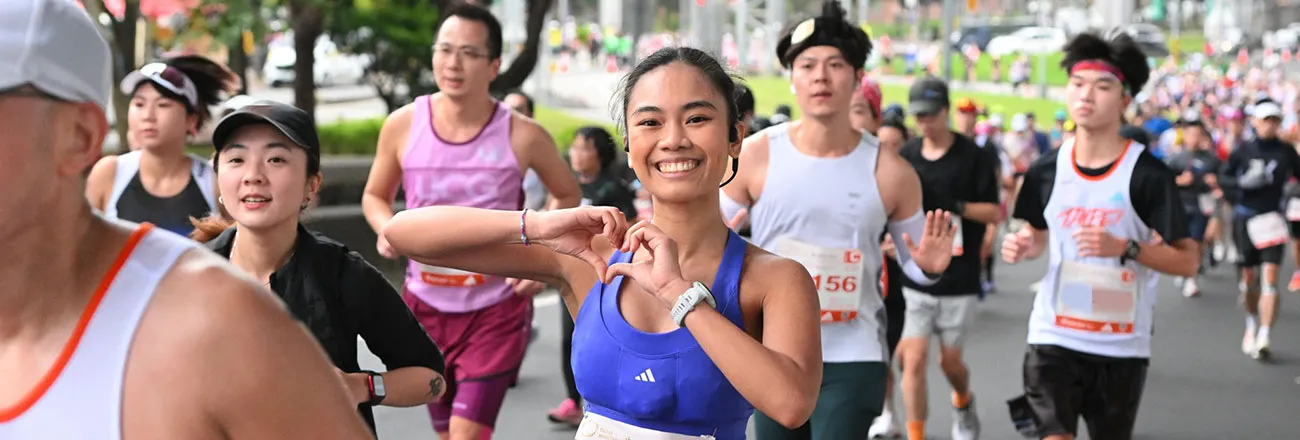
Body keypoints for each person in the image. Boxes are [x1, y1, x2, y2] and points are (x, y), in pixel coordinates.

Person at [383, 46, 857, 440]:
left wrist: (680, 296)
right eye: (650, 123)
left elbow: (792, 404)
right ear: (629, 147)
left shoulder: (773, 279)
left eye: (696, 119)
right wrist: (537, 224)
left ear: (735, 138)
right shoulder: (590, 257)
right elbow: (405, 233)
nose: (673, 140)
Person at [0, 1, 372, 438]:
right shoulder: (113, 177)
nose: (149, 115)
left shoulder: (214, 324)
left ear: (79, 136)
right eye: (139, 104)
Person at [724, 3, 957, 439]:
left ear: (856, 77)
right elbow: (708, 239)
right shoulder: (755, 155)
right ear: (791, 76)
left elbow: (913, 263)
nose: (820, 77)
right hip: (772, 347)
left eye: (835, 65)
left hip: (854, 350)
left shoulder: (891, 171)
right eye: (807, 65)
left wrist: (928, 265)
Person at [359, 4, 581, 439]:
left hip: (495, 309)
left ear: (494, 64)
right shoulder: (403, 125)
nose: (451, 63)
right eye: (444, 50)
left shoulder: (523, 134)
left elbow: (567, 194)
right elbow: (374, 196)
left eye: (467, 52)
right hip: (423, 308)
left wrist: (542, 263)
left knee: (466, 436)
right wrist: (387, 228)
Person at [190, 101, 449, 435]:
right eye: (237, 159)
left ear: (311, 186)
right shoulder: (190, 275)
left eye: (276, 159)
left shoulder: (341, 274)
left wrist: (361, 387)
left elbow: (431, 379)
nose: (253, 175)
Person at [1002, 31, 1198, 440]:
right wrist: (1022, 245)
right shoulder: (1044, 169)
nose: (1086, 95)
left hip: (1120, 343)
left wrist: (1124, 247)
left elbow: (1188, 260)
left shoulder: (1148, 176)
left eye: (1102, 85)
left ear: (1125, 100)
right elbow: (1037, 236)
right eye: (1077, 84)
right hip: (1053, 333)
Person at [896, 75, 1001, 440]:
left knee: (950, 362)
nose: (924, 122)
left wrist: (955, 206)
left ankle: (962, 400)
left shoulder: (974, 157)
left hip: (960, 277)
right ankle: (916, 434)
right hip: (916, 276)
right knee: (913, 358)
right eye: (918, 116)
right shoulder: (906, 157)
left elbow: (994, 212)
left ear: (945, 111)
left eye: (930, 114)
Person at [545, 125, 639, 426]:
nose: (576, 153)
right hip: (569, 273)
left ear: (600, 153)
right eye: (574, 147)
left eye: (584, 147)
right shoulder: (567, 187)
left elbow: (630, 229)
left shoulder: (614, 188)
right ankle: (573, 400)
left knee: (604, 340)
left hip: (605, 277)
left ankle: (608, 404)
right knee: (570, 339)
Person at [87, 55, 236, 235]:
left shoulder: (213, 182)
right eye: (139, 104)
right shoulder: (109, 173)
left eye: (163, 105)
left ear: (191, 120)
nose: (148, 115)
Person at [1218, 99, 1300, 359]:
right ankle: (1251, 324)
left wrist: (1290, 194)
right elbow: (1224, 177)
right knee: (1248, 281)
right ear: (1255, 122)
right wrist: (1241, 185)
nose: (1270, 125)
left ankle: (1265, 334)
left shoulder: (1286, 151)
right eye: (1266, 120)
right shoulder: (1243, 149)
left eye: (1274, 120)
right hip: (1245, 219)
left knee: (1271, 280)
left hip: (1272, 219)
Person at [1163, 118, 1221, 297]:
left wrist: (1215, 184)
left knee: (1196, 241)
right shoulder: (1175, 158)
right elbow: (1162, 182)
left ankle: (1191, 278)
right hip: (1180, 205)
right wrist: (1179, 181)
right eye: (1191, 134)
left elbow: (1223, 182)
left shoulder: (1211, 159)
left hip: (1201, 205)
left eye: (1198, 134)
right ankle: (1182, 268)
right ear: (1185, 135)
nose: (1194, 138)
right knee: (1180, 241)